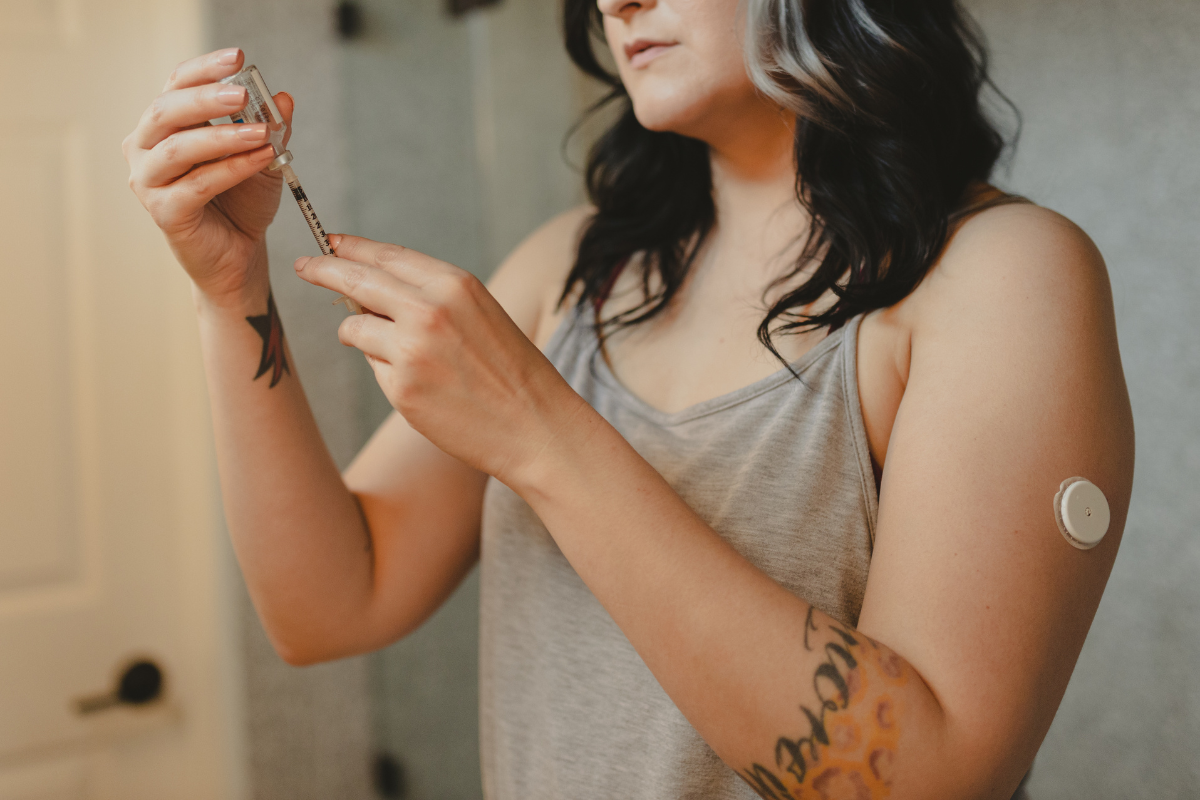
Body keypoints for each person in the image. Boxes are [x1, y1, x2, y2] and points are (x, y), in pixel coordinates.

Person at [122, 0, 1134, 795]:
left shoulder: (1003, 276)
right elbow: (327, 603)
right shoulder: (570, 266)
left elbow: (933, 775)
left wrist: (540, 433)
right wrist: (231, 290)